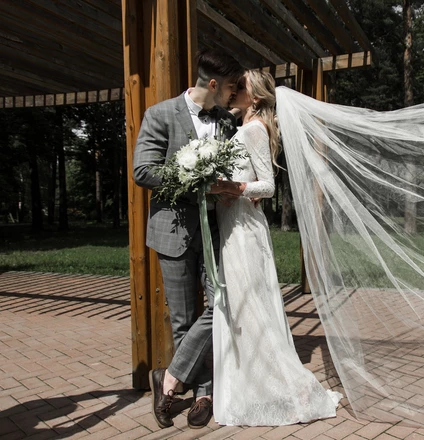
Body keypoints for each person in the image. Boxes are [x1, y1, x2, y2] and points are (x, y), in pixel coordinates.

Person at [208, 70, 342, 426]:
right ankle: (251, 378)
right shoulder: (241, 126)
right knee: (242, 306)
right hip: (233, 224)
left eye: (241, 88)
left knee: (250, 306)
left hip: (244, 229)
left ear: (254, 99)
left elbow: (266, 185)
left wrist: (229, 188)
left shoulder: (254, 130)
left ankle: (272, 385)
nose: (234, 90)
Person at [133, 48, 245, 429]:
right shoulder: (160, 114)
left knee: (220, 306)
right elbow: (143, 170)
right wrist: (195, 179)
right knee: (184, 319)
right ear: (212, 85)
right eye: (230, 87)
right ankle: (203, 393)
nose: (233, 94)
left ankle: (170, 381)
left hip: (216, 232)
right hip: (174, 232)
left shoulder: (227, 122)